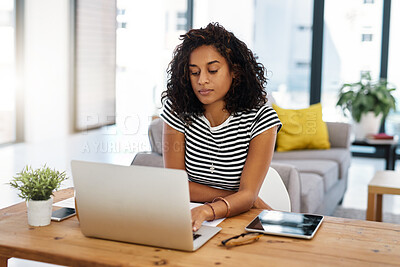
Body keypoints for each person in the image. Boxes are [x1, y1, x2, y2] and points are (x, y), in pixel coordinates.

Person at [160, 22, 282, 232]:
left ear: (234, 71)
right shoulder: (177, 109)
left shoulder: (261, 118)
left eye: (213, 70)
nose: (202, 81)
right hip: (188, 218)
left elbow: (248, 194)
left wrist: (211, 209)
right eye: (194, 72)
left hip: (239, 220)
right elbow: (176, 186)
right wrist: (243, 198)